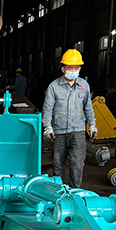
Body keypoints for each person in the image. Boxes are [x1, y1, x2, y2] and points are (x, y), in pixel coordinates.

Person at [41, 49, 97, 189]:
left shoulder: (84, 86)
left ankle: (74, 191)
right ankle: (60, 192)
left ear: (79, 69)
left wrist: (92, 125)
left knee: (77, 163)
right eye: (70, 68)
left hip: (78, 132)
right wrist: (47, 127)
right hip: (58, 133)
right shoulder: (54, 87)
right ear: (63, 69)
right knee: (58, 165)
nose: (73, 70)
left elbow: (88, 107)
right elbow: (47, 109)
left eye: (76, 68)